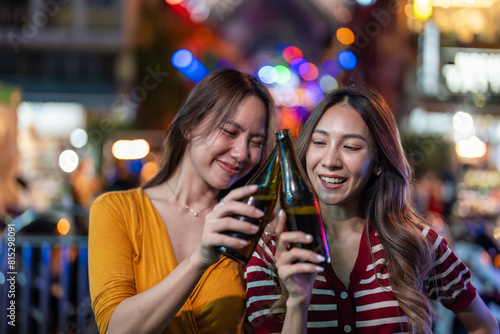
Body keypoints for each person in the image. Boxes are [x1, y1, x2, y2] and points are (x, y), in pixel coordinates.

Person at [245, 87, 499, 333]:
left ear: (378, 162)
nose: (330, 161)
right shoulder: (272, 250)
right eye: (319, 142)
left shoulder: (417, 241)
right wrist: (298, 301)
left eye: (351, 147)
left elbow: (484, 326)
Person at [88, 68, 278, 333]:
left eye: (256, 141)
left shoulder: (250, 226)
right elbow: (116, 328)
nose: (241, 152)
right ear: (189, 126)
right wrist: (199, 259)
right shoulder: (116, 210)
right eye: (229, 132)